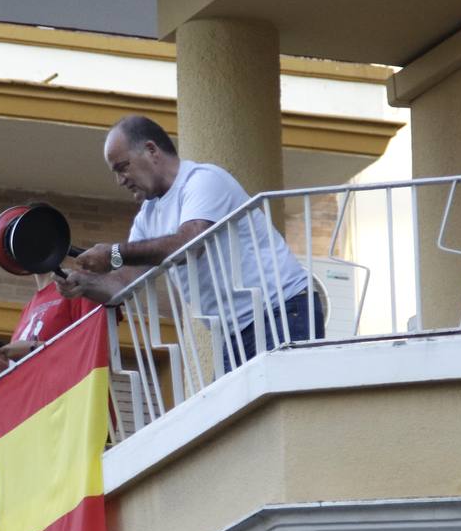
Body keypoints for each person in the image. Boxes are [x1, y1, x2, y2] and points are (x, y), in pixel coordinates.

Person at [55, 115, 322, 368]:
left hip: (281, 311)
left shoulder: (202, 180)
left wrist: (113, 253)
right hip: (235, 332)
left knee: (279, 412)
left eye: (122, 167)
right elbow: (124, 284)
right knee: (239, 416)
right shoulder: (146, 218)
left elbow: (190, 244)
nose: (120, 180)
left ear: (151, 150)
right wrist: (84, 284)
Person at [0, 269, 99, 375]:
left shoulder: (75, 288)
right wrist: (3, 368)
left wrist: (32, 348)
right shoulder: (29, 308)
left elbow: (97, 351)